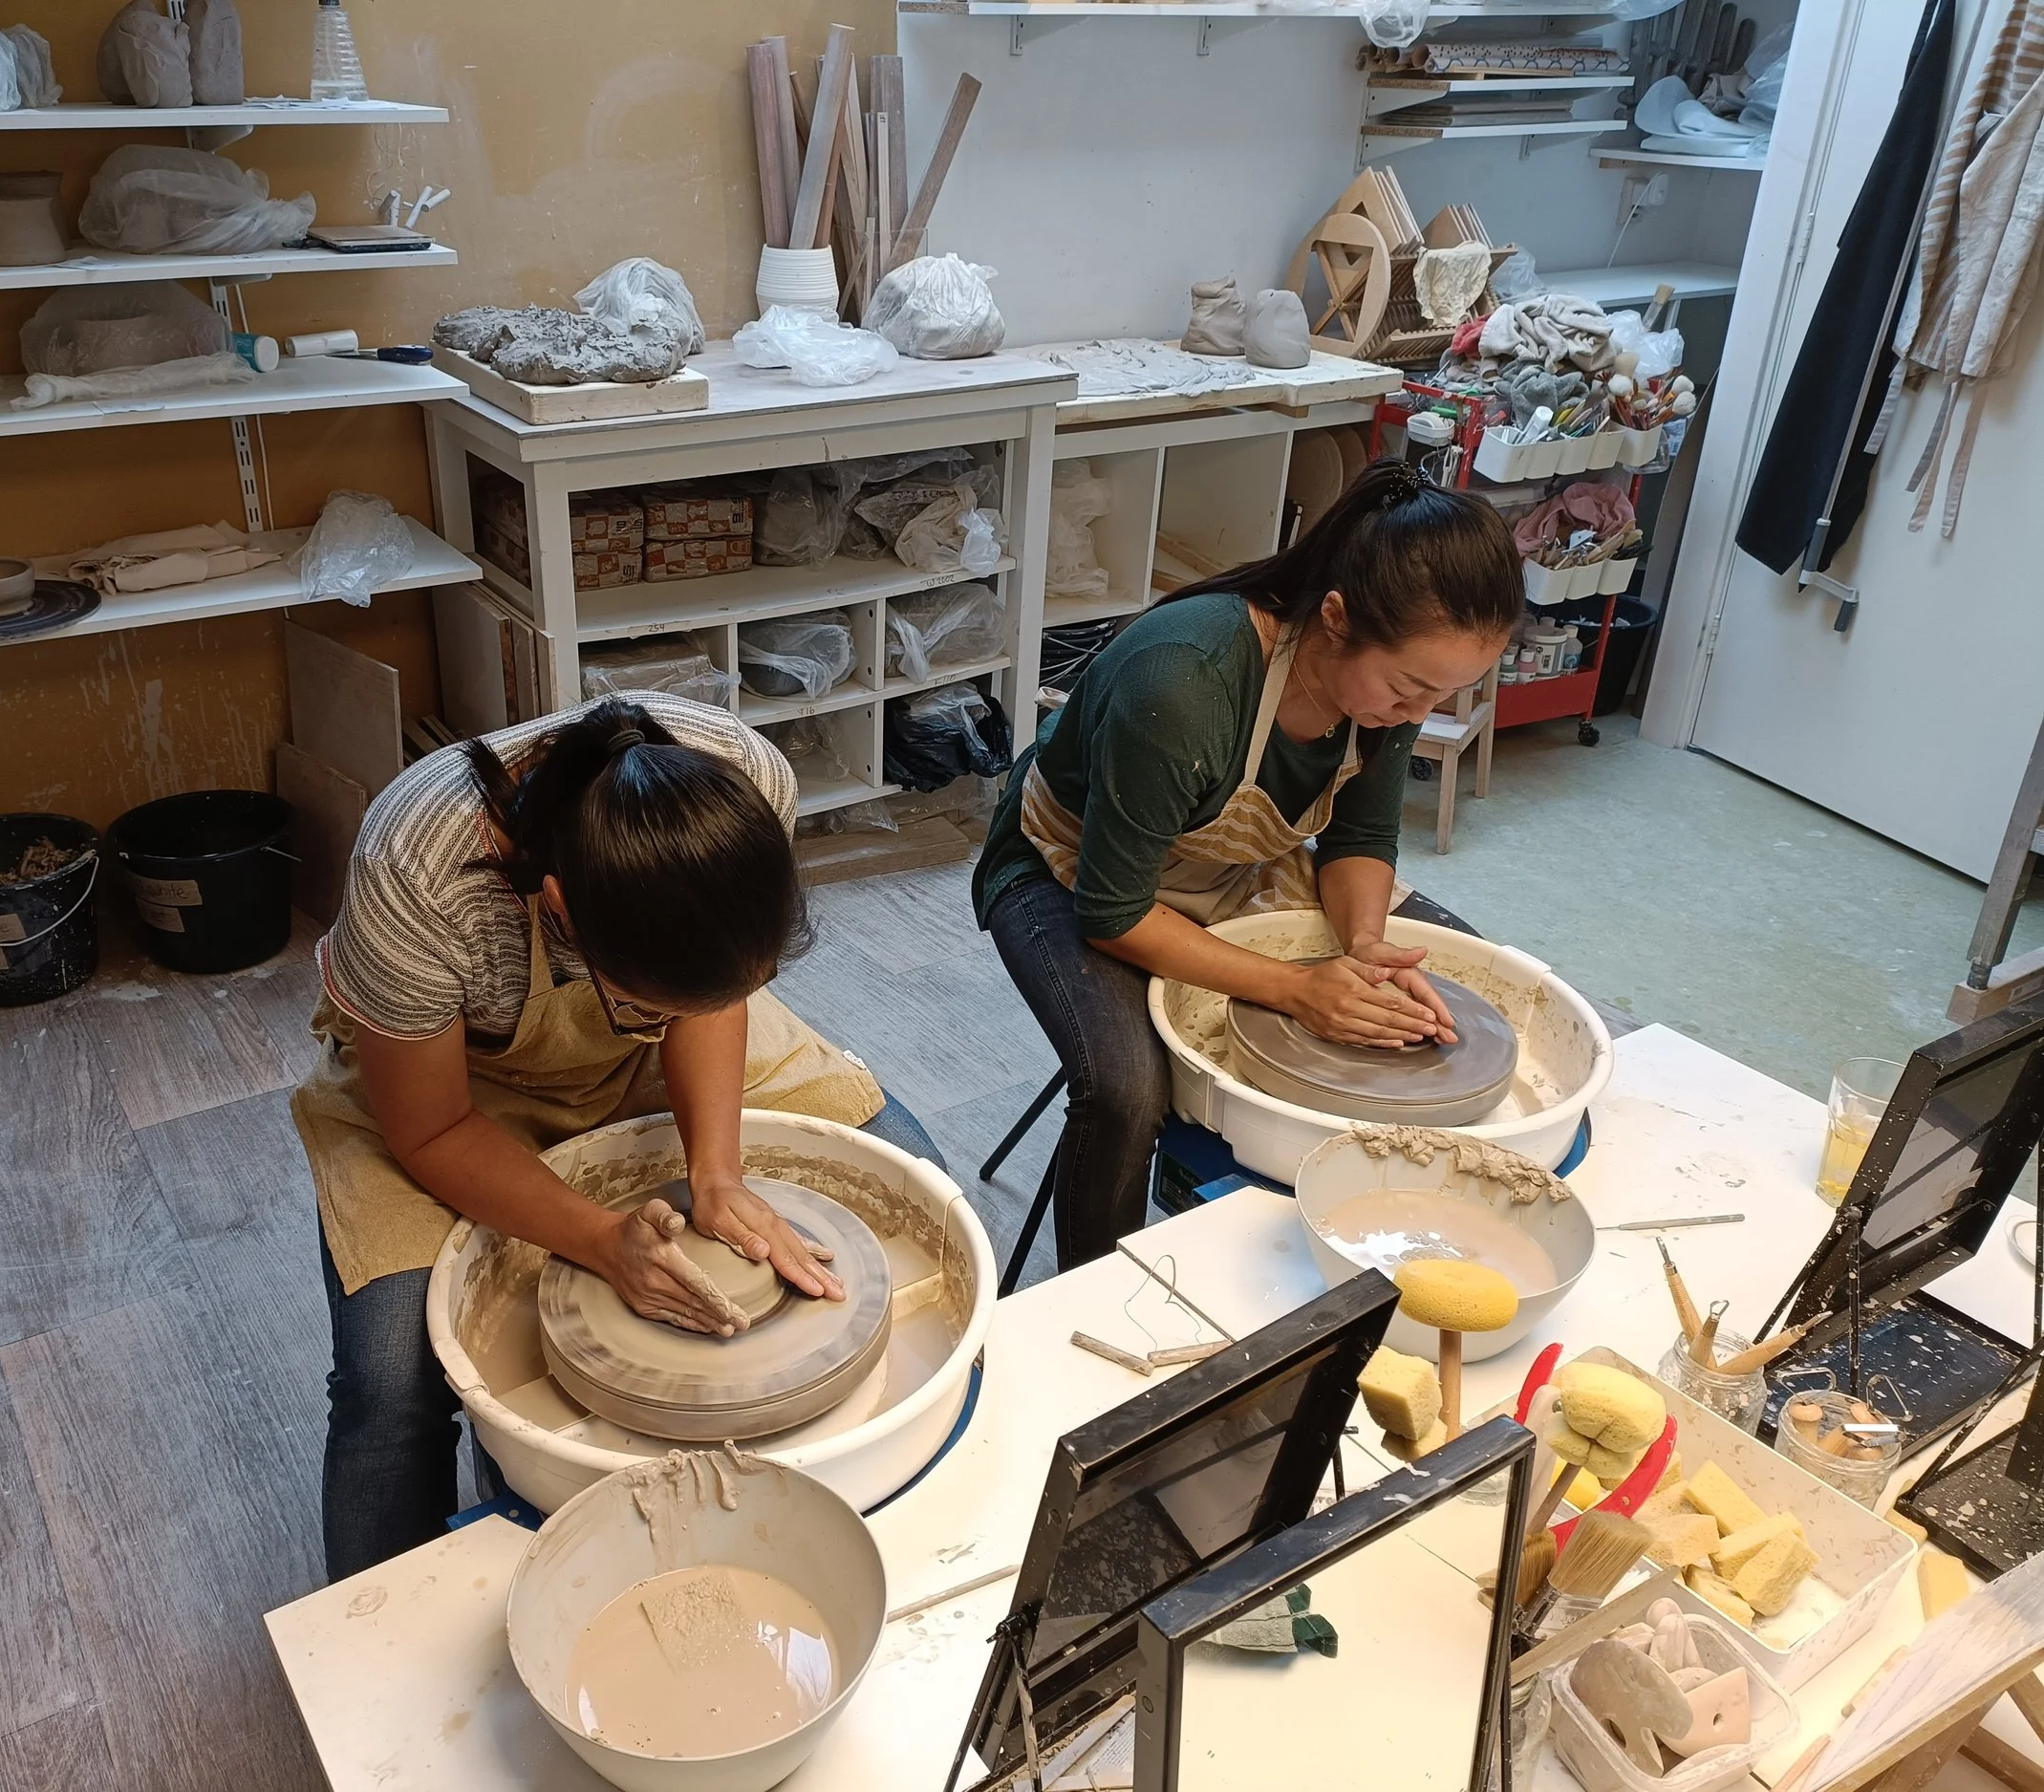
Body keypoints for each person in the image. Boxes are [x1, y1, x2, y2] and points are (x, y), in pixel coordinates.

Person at [296, 691, 939, 1579]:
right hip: (454, 1076)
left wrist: (716, 1172)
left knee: (915, 1177)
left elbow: (710, 1000)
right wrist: (601, 1240)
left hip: (665, 1028)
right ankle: (380, 1628)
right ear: (559, 909)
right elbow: (432, 1127)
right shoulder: (415, 867)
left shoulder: (743, 781)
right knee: (390, 1379)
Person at [973, 458, 1525, 1271]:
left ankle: (1342, 1252)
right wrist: (1298, 988)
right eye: (1410, 689)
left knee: (1453, 977)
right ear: (1335, 618)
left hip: (1227, 862)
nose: (1419, 714)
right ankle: (1092, 1294)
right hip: (1066, 860)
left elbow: (1359, 839)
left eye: (1441, 695)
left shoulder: (1390, 689)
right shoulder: (1185, 680)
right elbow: (1113, 912)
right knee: (1127, 1088)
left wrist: (1364, 944)